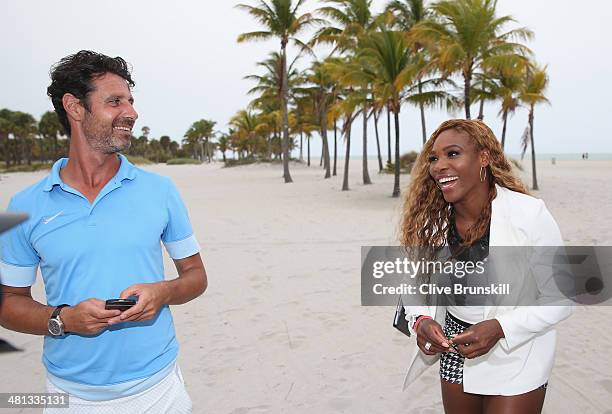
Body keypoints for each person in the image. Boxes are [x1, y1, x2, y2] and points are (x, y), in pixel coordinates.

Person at [0, 50, 207, 413]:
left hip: (158, 391)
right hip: (71, 398)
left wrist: (162, 292)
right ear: (75, 107)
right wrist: (63, 319)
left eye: (130, 101)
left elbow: (196, 277)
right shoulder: (24, 205)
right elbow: (9, 303)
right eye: (114, 101)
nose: (131, 112)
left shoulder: (160, 190)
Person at [399, 119, 572, 413]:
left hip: (518, 352)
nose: (439, 165)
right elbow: (412, 283)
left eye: (452, 154)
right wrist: (421, 321)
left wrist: (500, 328)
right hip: (454, 347)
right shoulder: (434, 223)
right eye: (433, 158)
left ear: (483, 158)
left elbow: (563, 298)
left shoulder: (530, 214)